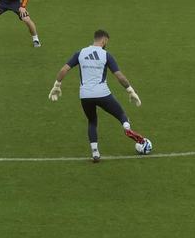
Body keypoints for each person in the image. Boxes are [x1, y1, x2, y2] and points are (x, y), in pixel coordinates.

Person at [47, 29, 148, 163]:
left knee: (92, 121)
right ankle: (127, 128)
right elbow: (119, 76)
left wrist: (56, 86)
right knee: (121, 115)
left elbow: (64, 69)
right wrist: (131, 91)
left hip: (85, 95)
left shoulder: (80, 53)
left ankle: (95, 152)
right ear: (104, 40)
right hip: (103, 94)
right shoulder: (106, 55)